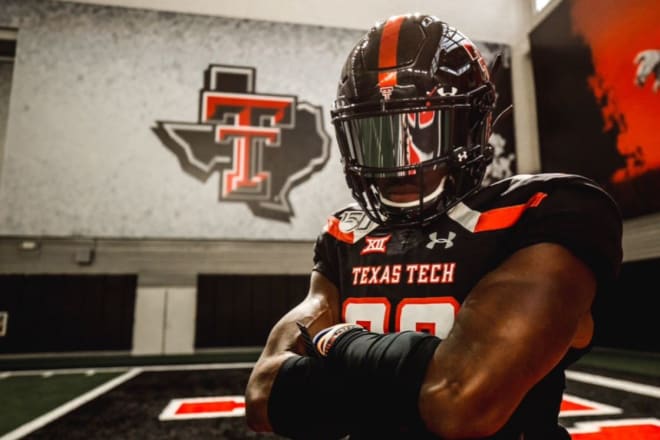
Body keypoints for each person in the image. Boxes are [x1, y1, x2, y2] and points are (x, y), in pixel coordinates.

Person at [245, 13, 623, 439]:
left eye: (425, 130)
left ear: (472, 126)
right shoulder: (347, 232)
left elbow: (459, 402)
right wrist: (419, 375)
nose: (400, 163)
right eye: (377, 137)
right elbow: (264, 396)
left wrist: (341, 342)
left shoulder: (545, 210)